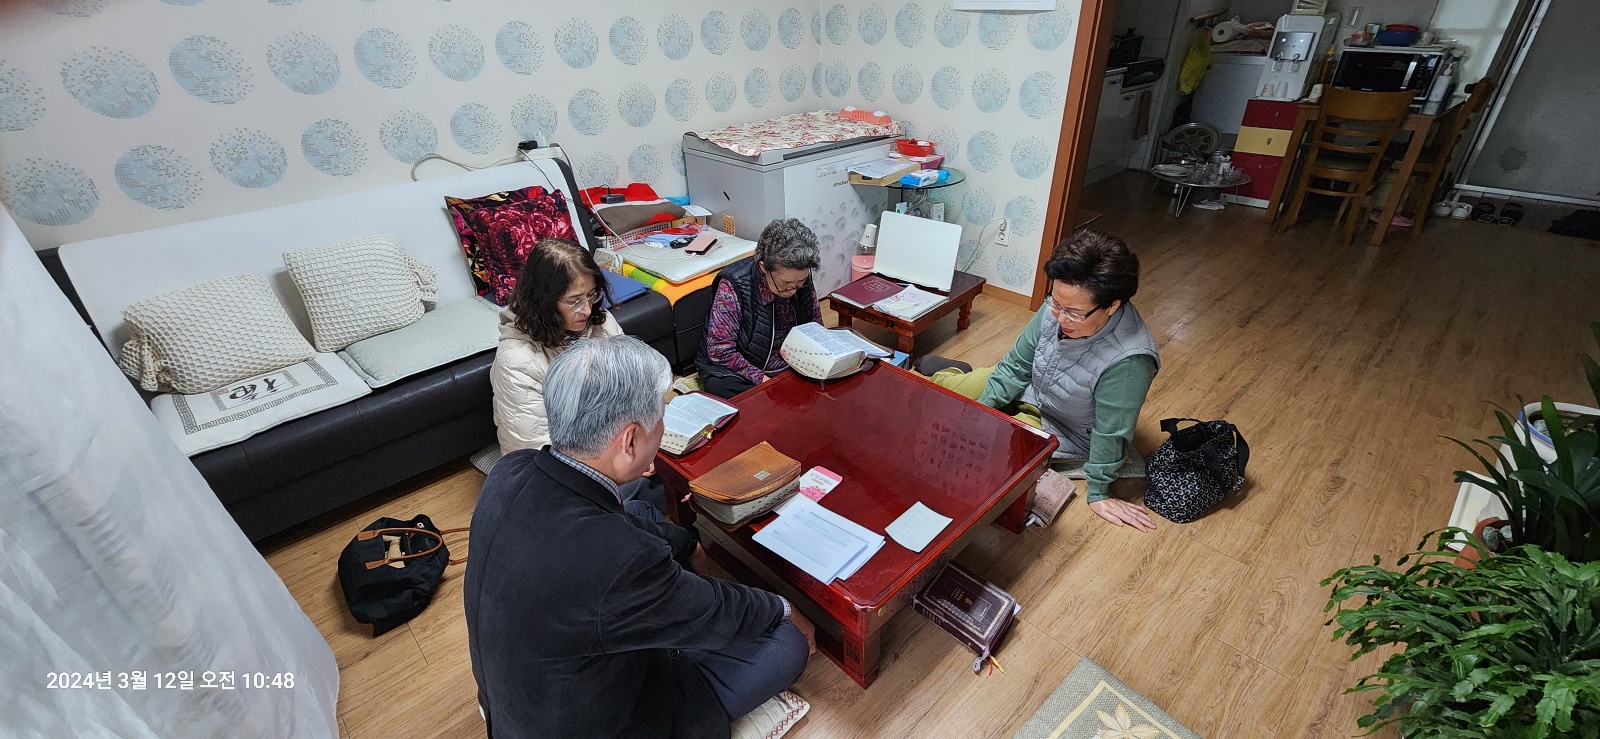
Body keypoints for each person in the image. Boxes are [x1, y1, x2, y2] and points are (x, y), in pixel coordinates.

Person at [466, 336, 815, 739]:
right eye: (662, 417)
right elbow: (715, 609)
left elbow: (627, 532)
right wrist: (783, 607)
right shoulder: (619, 560)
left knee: (640, 512)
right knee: (786, 645)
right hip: (598, 721)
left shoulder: (511, 469)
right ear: (629, 440)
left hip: (519, 701)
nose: (663, 428)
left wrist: (688, 544)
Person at [924, 230, 1161, 532]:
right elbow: (1016, 365)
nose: (1060, 317)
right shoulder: (1060, 305)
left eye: (1073, 313)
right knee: (948, 397)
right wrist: (980, 411)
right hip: (1035, 386)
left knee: (998, 448)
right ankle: (956, 375)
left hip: (1067, 428)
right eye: (1056, 303)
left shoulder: (1129, 362)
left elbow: (1111, 433)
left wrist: (1100, 492)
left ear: (1112, 306)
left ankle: (970, 380)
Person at [490, 237, 621, 455]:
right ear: (544, 301)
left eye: (591, 295)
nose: (587, 309)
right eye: (574, 301)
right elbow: (534, 450)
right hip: (558, 460)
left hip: (609, 441)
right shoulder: (517, 361)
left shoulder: (601, 322)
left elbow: (634, 385)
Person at [694, 218, 823, 399]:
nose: (793, 290)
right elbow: (720, 350)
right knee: (720, 386)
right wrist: (763, 380)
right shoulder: (734, 285)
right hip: (745, 368)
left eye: (800, 282)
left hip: (789, 363)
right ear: (763, 267)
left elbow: (815, 326)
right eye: (785, 283)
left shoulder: (798, 279)